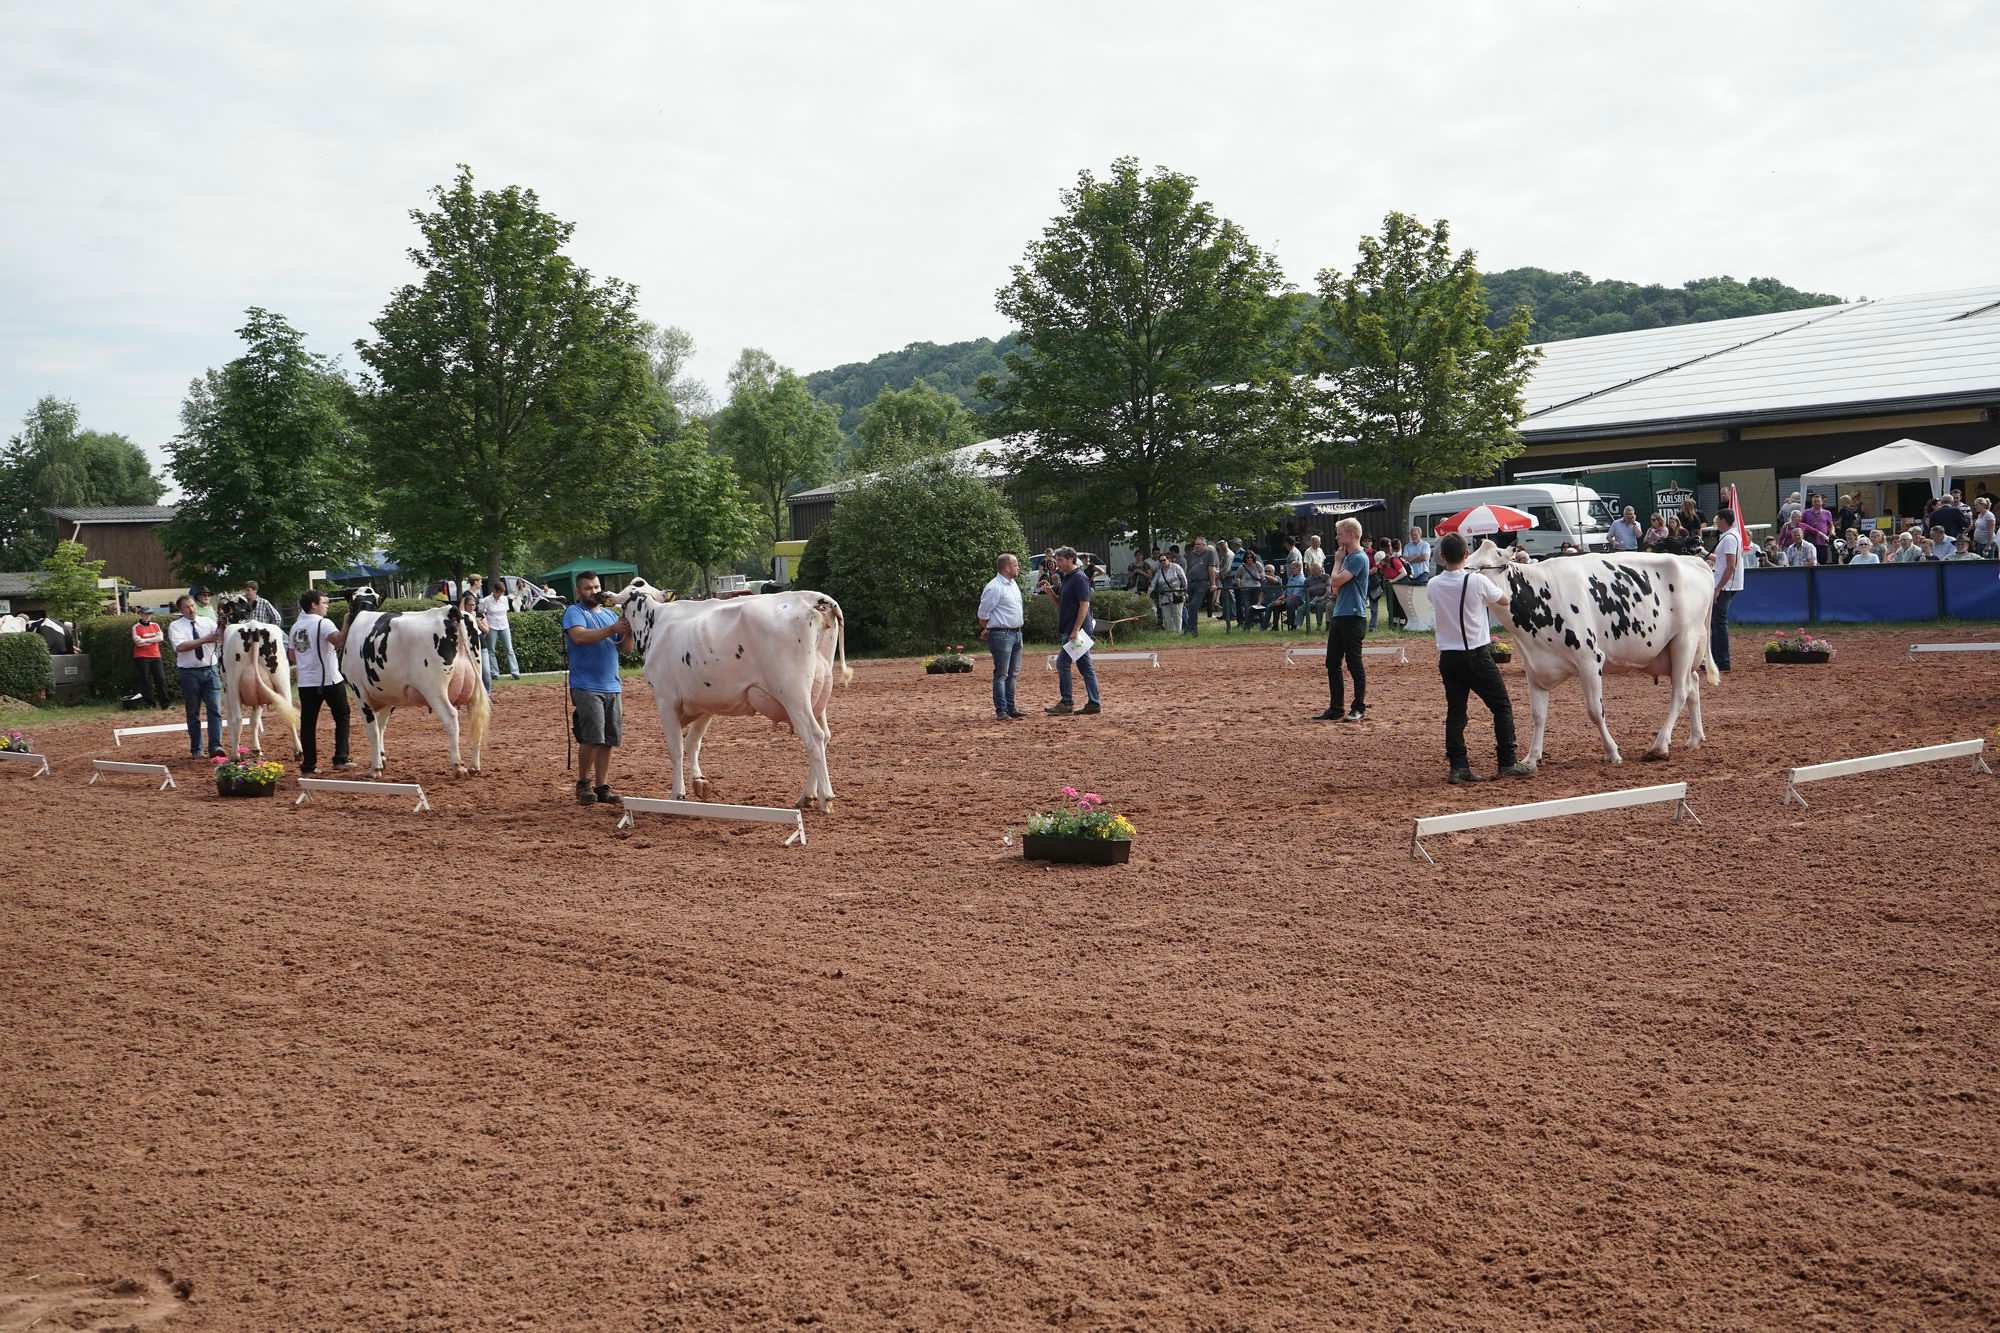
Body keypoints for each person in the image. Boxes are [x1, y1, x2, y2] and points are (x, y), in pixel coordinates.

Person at [1427, 532, 1533, 784]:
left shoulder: (1433, 585)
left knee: (1456, 712)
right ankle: (1507, 761)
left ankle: (1458, 766)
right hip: (1475, 654)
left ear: (1442, 557)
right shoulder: (1476, 581)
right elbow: (1504, 600)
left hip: (1449, 657)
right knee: (1501, 707)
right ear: (1466, 555)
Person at [561, 570, 628, 806]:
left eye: (597, 587)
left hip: (612, 684)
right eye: (589, 588)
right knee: (591, 737)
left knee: (608, 739)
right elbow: (579, 637)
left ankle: (602, 785)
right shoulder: (574, 612)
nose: (594, 592)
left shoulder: (611, 615)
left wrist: (628, 627)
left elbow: (627, 648)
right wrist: (612, 629)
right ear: (578, 591)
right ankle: (583, 783)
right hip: (586, 685)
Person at [1314, 517, 1370, 722]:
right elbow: (1333, 586)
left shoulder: (1357, 558)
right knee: (1332, 662)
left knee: (1354, 663)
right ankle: (1336, 707)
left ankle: (1358, 707)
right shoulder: (1348, 558)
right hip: (1341, 613)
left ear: (1352, 535)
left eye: (1340, 533)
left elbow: (1335, 580)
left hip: (1353, 615)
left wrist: (1337, 561)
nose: (1337, 536)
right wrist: (1338, 568)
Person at [289, 590, 351, 774]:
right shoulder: (324, 623)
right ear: (314, 605)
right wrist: (347, 623)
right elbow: (338, 641)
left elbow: (292, 655)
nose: (327, 606)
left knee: (308, 724)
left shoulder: (296, 626)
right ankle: (340, 758)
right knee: (342, 716)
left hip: (306, 682)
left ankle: (309, 765)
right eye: (324, 602)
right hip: (329, 679)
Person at [166, 593, 224, 758]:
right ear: (181, 610)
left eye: (192, 605)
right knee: (193, 712)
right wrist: (205, 639)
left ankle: (215, 747)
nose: (191, 609)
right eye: (187, 607)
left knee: (215, 710)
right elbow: (181, 647)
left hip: (210, 670)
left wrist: (222, 625)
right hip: (189, 672)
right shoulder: (176, 626)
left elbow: (220, 636)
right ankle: (196, 749)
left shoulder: (207, 622)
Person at [1045, 546, 1099, 716]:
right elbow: (1061, 606)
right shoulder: (1067, 577)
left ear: (1070, 559)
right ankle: (1093, 702)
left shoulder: (1079, 578)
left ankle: (1067, 702)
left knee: (1063, 663)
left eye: (1060, 560)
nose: (1057, 563)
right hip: (1069, 630)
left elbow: (1085, 605)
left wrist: (1076, 629)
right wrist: (1051, 594)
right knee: (1085, 667)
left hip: (1077, 632)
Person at [976, 553, 1026, 721]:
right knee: (1002, 674)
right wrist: (989, 627)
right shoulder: (994, 587)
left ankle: (1011, 707)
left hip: (1016, 632)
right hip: (1002, 634)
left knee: (1012, 673)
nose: (1018, 567)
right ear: (1006, 567)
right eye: (1016, 565)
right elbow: (983, 614)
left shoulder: (1012, 584)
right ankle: (1002, 710)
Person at [1708, 508, 1743, 673]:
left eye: (1717, 520)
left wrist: (1718, 588)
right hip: (1728, 583)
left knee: (1718, 623)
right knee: (1716, 622)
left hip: (1726, 585)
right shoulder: (1732, 536)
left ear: (1723, 520)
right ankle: (1717, 659)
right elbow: (1725, 561)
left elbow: (1730, 565)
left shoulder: (1729, 538)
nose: (1716, 523)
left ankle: (1721, 660)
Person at [480, 579, 520, 680]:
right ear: (494, 590)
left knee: (509, 649)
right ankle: (494, 673)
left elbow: (505, 612)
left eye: (501, 593)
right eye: (498, 592)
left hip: (504, 626)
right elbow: (481, 614)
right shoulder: (486, 601)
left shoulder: (504, 599)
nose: (499, 595)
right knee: (491, 650)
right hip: (492, 626)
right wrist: (485, 626)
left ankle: (515, 672)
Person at [130, 607, 167, 708]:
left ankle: (165, 703)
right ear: (141, 614)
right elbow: (137, 642)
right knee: (145, 680)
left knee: (161, 679)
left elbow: (160, 638)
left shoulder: (155, 625)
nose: (147, 616)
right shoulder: (136, 627)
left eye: (149, 614)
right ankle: (150, 703)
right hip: (141, 656)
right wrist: (153, 639)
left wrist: (145, 640)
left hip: (155, 655)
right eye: (145, 614)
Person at [1183, 537, 1215, 635]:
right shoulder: (1191, 555)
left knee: (1194, 604)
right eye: (1196, 544)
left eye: (1199, 544)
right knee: (1191, 606)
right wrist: (1186, 582)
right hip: (1191, 582)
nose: (1196, 546)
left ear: (1204, 545)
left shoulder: (1209, 553)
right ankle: (1190, 628)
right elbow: (1188, 569)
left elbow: (1211, 569)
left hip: (1203, 582)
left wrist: (1213, 583)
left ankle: (1192, 629)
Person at [1149, 550, 1187, 629]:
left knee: (1177, 614)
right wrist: (1149, 593)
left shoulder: (1176, 567)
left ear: (1168, 559)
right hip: (1164, 596)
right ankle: (1170, 633)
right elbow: (1153, 583)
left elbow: (1184, 579)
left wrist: (1184, 591)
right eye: (1161, 561)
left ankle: (1178, 631)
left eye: (1164, 560)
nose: (1162, 562)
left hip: (1176, 594)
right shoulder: (1159, 572)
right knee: (1167, 616)